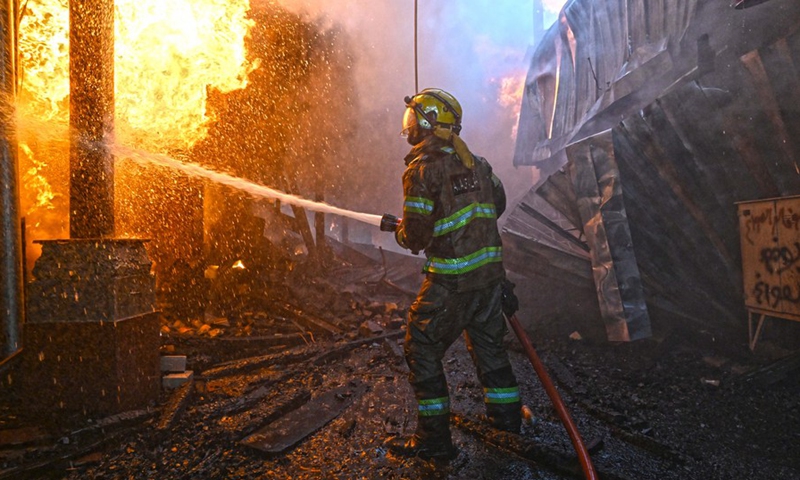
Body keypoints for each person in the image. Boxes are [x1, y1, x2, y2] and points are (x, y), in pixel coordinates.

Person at [384, 88, 521, 461]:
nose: (408, 126)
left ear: (427, 124)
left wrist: (397, 230)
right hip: (489, 281)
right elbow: (499, 203)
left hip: (451, 283)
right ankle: (508, 423)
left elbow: (415, 236)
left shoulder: (421, 172)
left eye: (413, 118)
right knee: (491, 350)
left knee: (422, 348)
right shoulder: (476, 163)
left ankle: (434, 441)